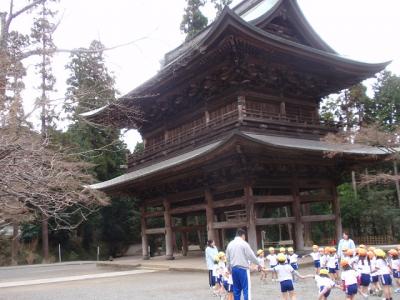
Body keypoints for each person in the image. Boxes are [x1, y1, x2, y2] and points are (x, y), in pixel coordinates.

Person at [226, 228, 262, 300]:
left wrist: (228, 268)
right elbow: (251, 256)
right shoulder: (244, 243)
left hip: (234, 269)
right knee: (246, 289)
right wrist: (258, 263)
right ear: (243, 235)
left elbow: (227, 258)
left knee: (236, 289)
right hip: (243, 269)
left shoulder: (230, 244)